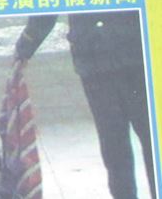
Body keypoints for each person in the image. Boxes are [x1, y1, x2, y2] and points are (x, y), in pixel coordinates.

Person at [15, 11, 156, 199]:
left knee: (130, 141)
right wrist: (26, 45)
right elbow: (51, 2)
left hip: (120, 56)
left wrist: (25, 45)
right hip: (108, 57)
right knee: (122, 142)